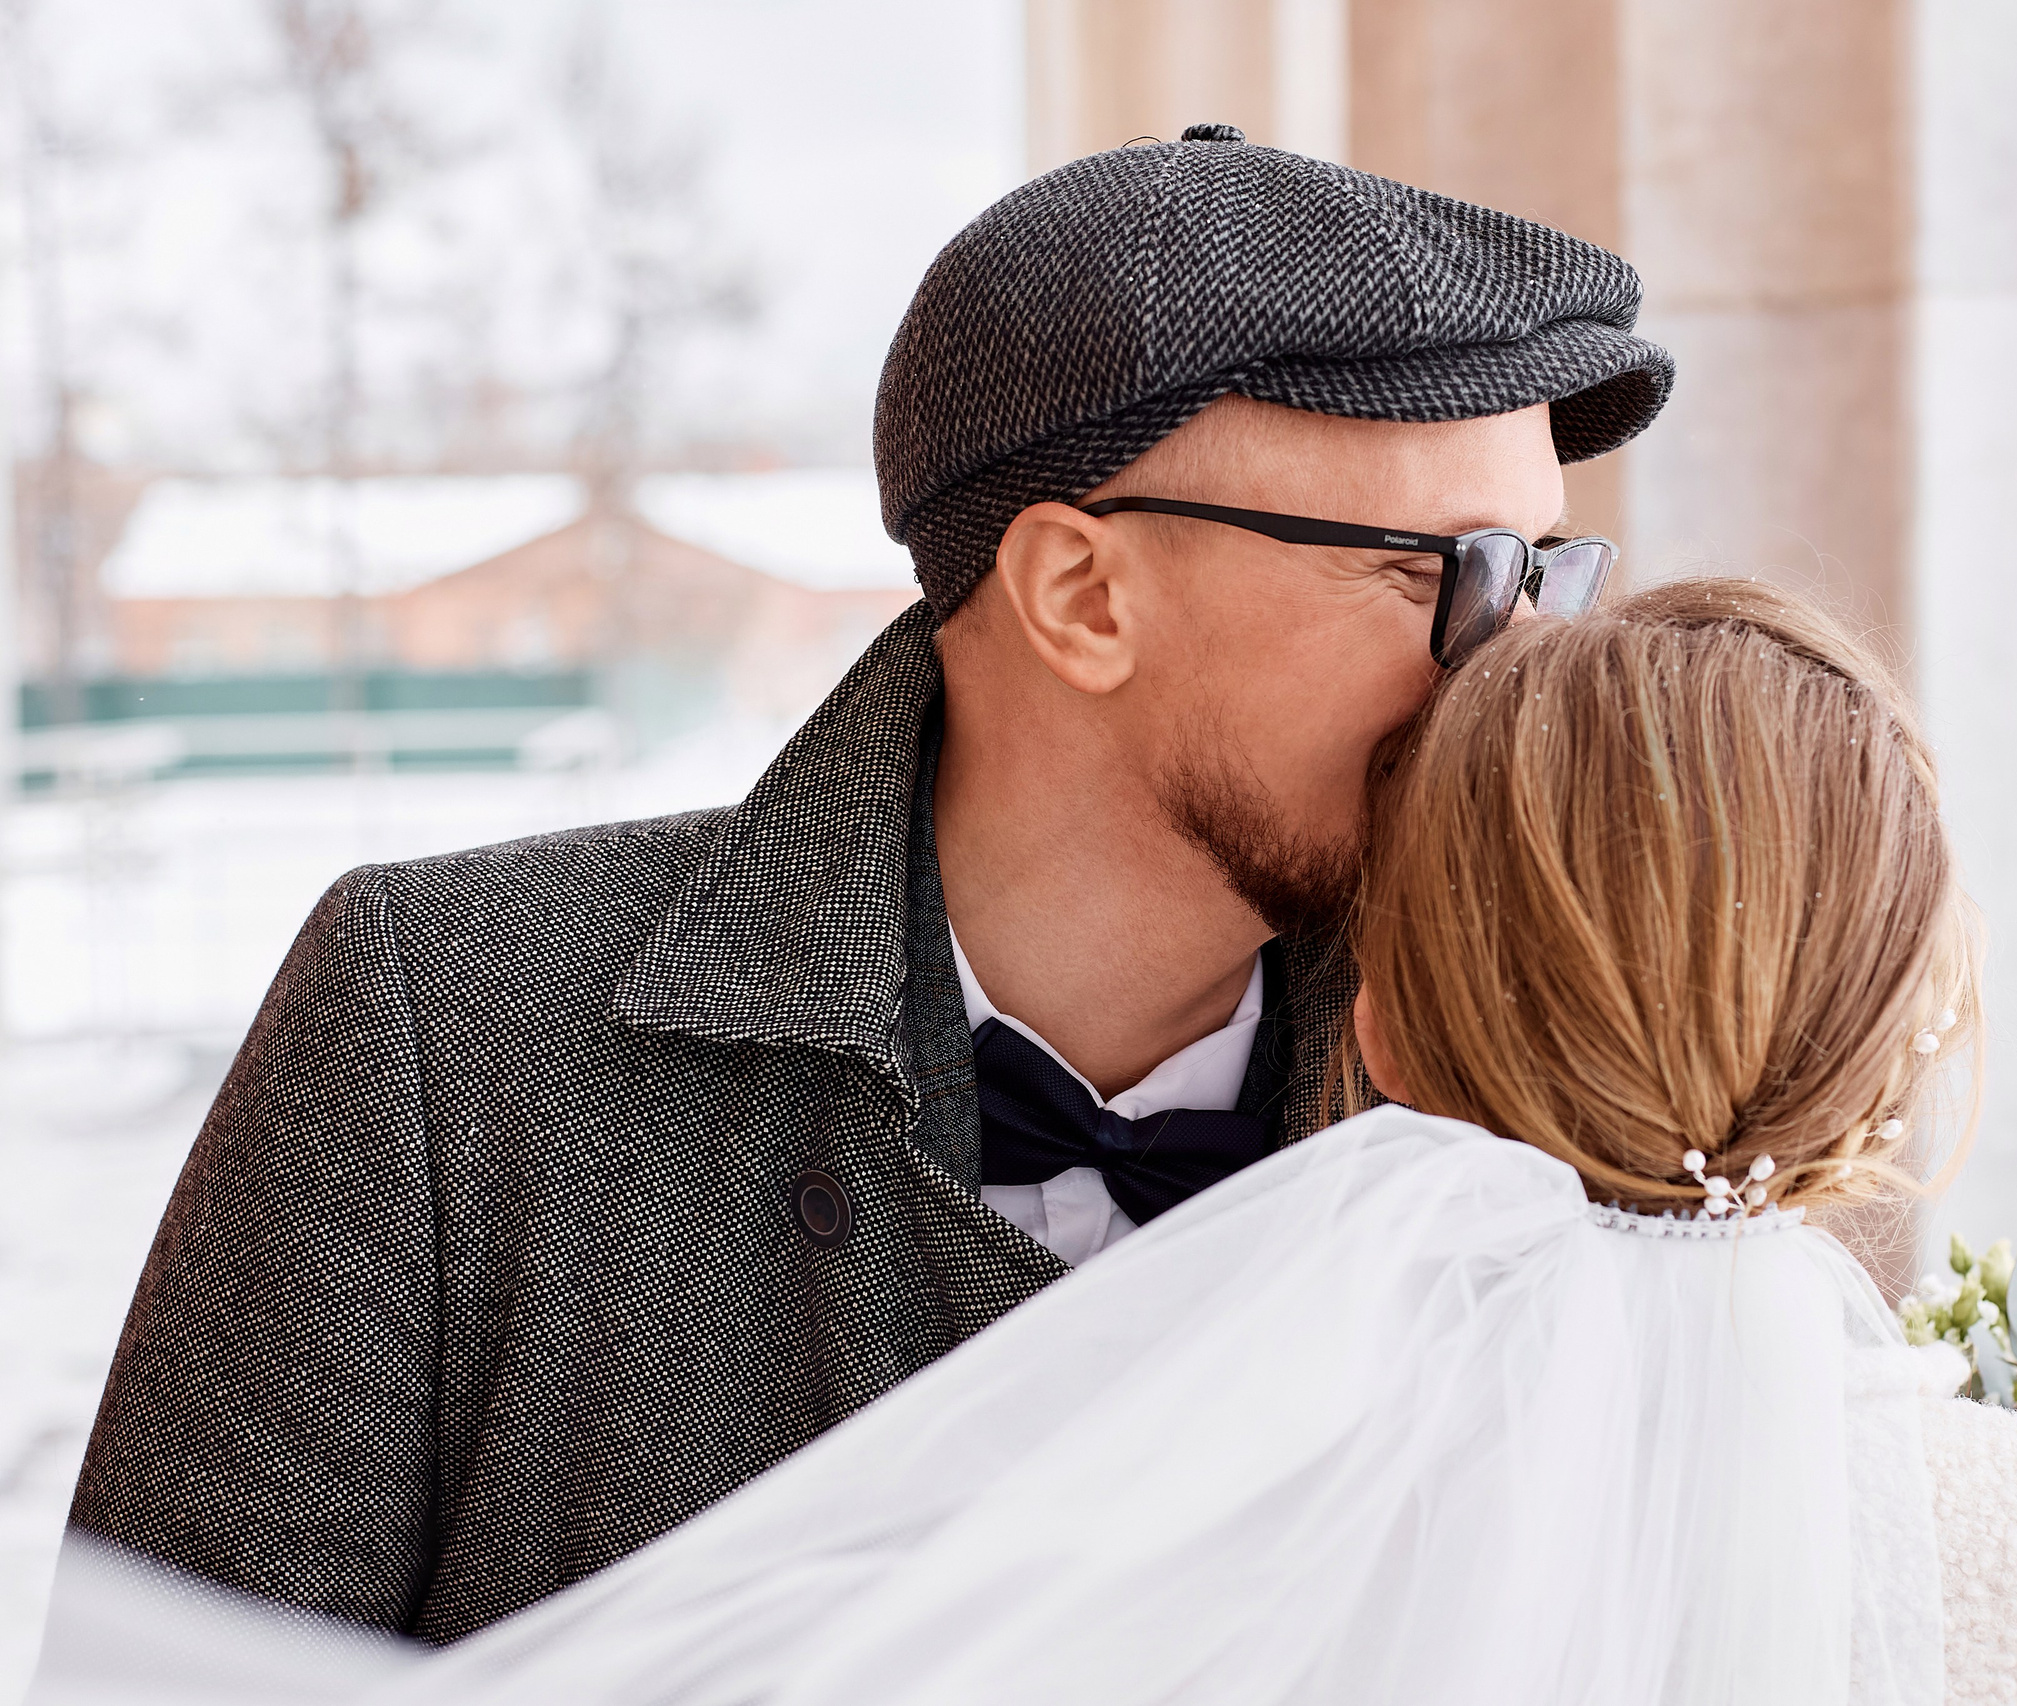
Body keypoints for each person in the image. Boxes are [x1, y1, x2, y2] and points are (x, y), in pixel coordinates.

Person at [33, 578, 2017, 1705]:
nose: (1483, 615)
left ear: (1406, 992)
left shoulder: (1108, 1551)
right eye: (1437, 571)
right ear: (1915, 1016)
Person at [62, 122, 1674, 1642]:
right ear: (1083, 594)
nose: (1525, 669)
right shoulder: (443, 1035)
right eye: (1455, 573)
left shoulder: (1568, 1092)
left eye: (1551, 571)